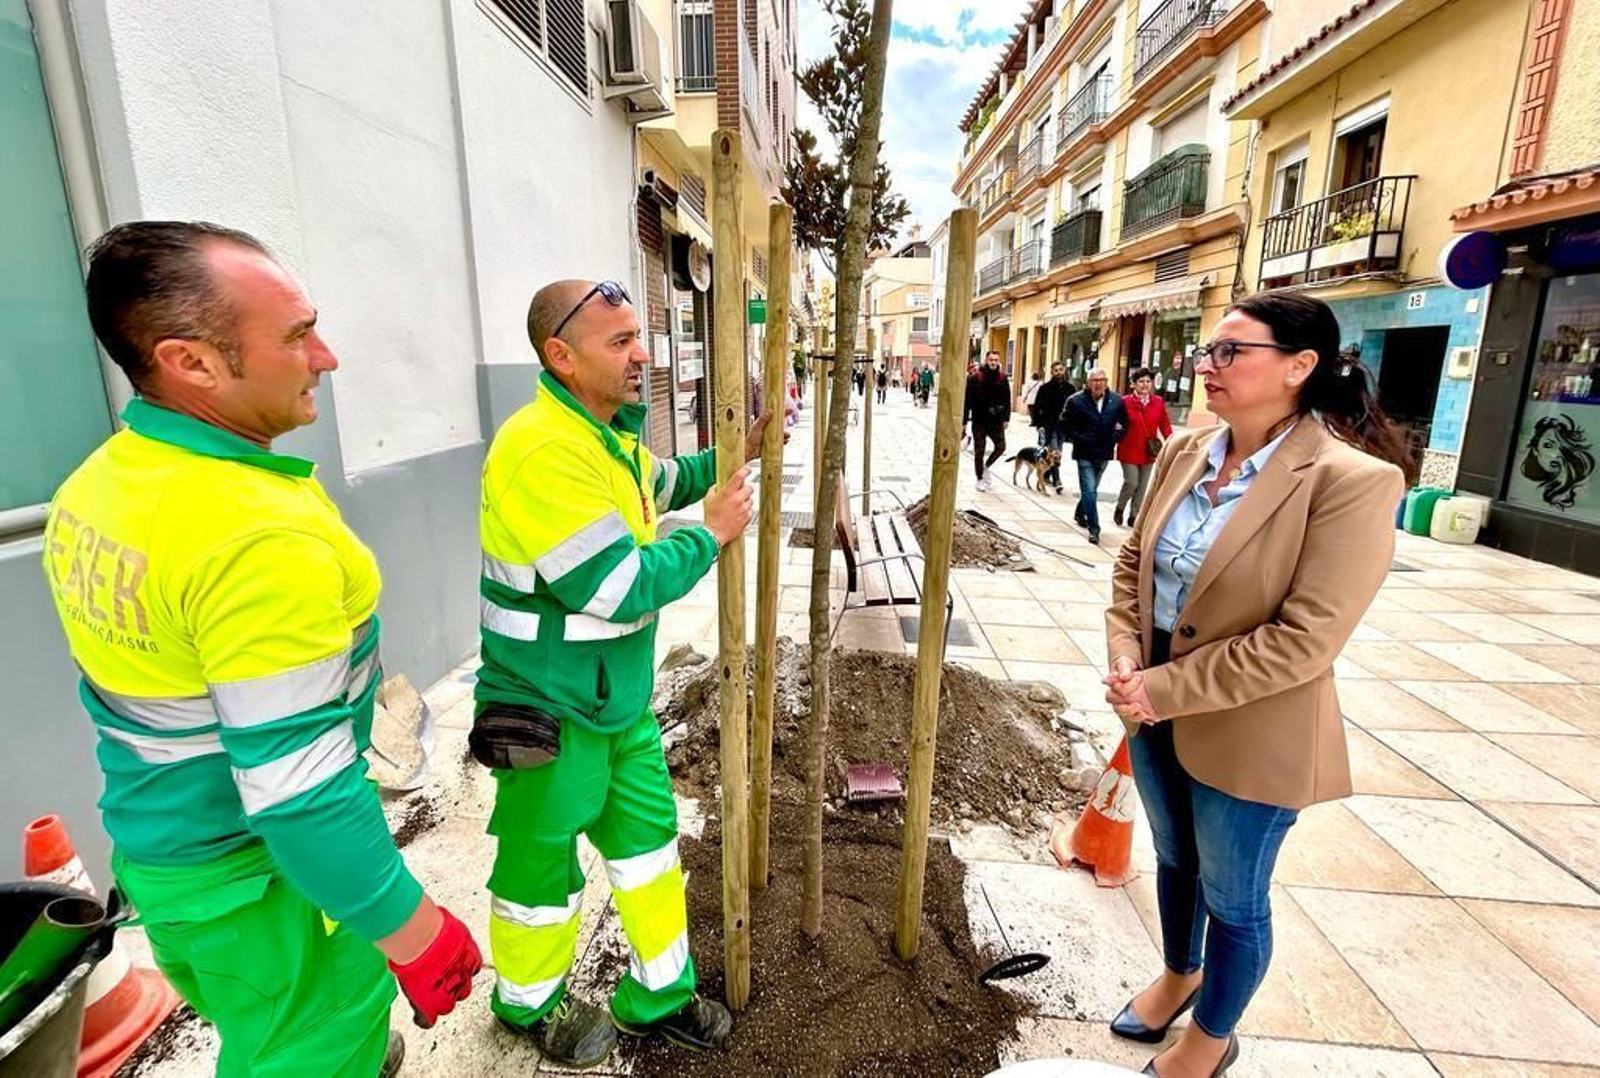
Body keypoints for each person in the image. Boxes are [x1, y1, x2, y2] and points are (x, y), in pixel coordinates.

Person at [44, 221, 482, 1076]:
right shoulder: (255, 538)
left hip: (165, 861)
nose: (326, 355)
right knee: (308, 1047)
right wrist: (412, 930)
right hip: (263, 885)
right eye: (294, 335)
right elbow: (301, 793)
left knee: (264, 1030)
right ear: (192, 363)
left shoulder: (99, 486)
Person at [1101, 292, 1409, 1078]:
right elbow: (1135, 562)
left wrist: (1161, 690)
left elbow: (1306, 640)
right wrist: (1127, 661)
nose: (1208, 366)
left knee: (1235, 898)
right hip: (1153, 703)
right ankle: (1179, 974)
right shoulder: (1186, 450)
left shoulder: (1351, 481)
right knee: (1175, 861)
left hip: (1252, 725)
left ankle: (1211, 1036)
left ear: (1300, 367)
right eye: (1208, 351)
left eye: (1231, 352)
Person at [477, 279, 767, 1067]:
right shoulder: (542, 448)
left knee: (648, 850)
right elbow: (613, 587)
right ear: (560, 356)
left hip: (615, 701)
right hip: (547, 707)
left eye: (641, 336)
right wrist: (708, 537)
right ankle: (527, 1004)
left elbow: (662, 484)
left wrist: (740, 449)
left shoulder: (606, 439)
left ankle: (657, 996)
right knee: (542, 869)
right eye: (620, 342)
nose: (644, 354)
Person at [1061, 367, 1128, 543]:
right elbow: (1064, 423)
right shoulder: (1075, 401)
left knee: (1091, 490)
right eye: (1095, 380)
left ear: (1106, 382)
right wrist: (1078, 438)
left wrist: (1115, 437)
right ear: (1088, 383)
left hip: (1104, 452)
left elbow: (1124, 423)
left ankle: (1079, 512)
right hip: (1084, 452)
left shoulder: (1116, 401)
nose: (1099, 384)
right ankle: (1094, 528)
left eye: (1102, 380)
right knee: (1090, 491)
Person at [1115, 367, 1174, 527]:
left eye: (1148, 381)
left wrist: (1173, 442)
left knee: (1142, 486)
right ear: (1133, 384)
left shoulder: (1159, 402)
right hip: (1128, 449)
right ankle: (1120, 506)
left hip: (1149, 450)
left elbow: (1165, 426)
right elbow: (1116, 424)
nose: (1145, 384)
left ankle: (1134, 516)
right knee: (1131, 482)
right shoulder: (1124, 402)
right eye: (1141, 381)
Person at [962, 350, 1012, 492]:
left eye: (996, 360)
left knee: (1001, 446)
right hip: (979, 420)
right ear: (986, 360)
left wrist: (1006, 418)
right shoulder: (975, 378)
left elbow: (1007, 399)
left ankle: (985, 467)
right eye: (991, 360)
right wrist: (964, 422)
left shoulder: (1002, 378)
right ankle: (979, 478)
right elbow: (967, 401)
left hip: (996, 420)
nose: (993, 362)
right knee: (979, 450)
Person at [1033, 361, 1074, 494]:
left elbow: (1075, 408)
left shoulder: (1070, 388)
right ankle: (1057, 480)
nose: (1058, 372)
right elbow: (1037, 407)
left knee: (1056, 451)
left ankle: (1046, 474)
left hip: (1063, 426)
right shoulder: (1045, 388)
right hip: (1048, 425)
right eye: (1056, 370)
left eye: (1060, 370)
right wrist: (1038, 424)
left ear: (1064, 371)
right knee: (1055, 451)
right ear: (1051, 372)